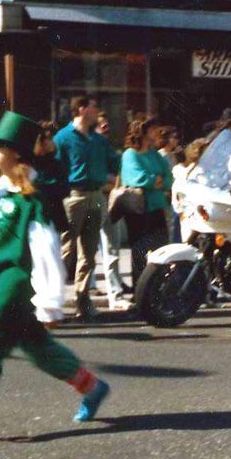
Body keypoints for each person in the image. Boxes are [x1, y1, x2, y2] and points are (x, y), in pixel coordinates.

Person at [0, 112, 110, 442]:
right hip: (1, 275)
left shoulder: (31, 199)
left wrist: (50, 302)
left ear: (15, 153)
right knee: (34, 345)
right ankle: (92, 387)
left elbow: (46, 248)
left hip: (18, 279)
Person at [53, 95, 118, 319]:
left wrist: (108, 178)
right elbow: (56, 166)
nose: (97, 110)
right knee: (65, 250)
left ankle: (83, 300)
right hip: (74, 196)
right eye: (93, 107)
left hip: (96, 196)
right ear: (80, 110)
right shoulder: (62, 138)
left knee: (89, 253)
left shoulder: (99, 140)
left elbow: (114, 163)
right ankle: (53, 300)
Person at [120, 117, 174, 282]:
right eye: (152, 129)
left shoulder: (155, 155)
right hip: (139, 209)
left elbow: (168, 179)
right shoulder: (130, 154)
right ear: (142, 132)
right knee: (140, 251)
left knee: (161, 249)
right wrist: (154, 180)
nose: (157, 132)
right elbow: (137, 178)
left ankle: (158, 286)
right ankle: (140, 289)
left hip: (157, 207)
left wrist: (157, 181)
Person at [94, 112, 131, 311]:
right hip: (94, 200)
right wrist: (109, 181)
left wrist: (110, 182)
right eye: (102, 126)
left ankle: (115, 294)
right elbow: (100, 177)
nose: (106, 129)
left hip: (110, 202)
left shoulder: (110, 150)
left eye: (108, 126)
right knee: (81, 250)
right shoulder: (93, 148)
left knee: (112, 249)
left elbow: (119, 177)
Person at [31, 121, 70, 234]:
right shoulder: (30, 164)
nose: (53, 142)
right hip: (35, 215)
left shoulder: (55, 164)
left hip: (54, 215)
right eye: (49, 139)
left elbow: (65, 189)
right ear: (40, 141)